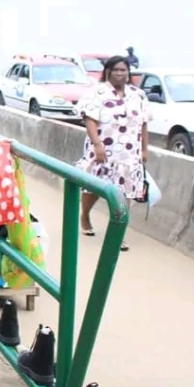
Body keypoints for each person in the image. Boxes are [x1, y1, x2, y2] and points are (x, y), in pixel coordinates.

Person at [77, 55, 150, 251]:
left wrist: (144, 149)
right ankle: (85, 216)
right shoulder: (97, 92)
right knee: (93, 188)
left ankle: (118, 235)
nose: (119, 73)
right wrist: (97, 145)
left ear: (128, 72)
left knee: (124, 194)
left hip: (129, 155)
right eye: (115, 70)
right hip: (103, 151)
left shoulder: (138, 95)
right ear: (108, 72)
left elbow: (143, 123)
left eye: (123, 70)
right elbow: (90, 119)